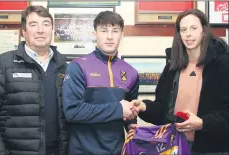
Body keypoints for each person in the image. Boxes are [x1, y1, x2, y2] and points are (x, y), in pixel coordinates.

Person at [132, 9, 229, 154]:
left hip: (212, 149)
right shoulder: (171, 68)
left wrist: (202, 123)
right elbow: (162, 111)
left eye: (193, 28)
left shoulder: (223, 65)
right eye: (183, 30)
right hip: (174, 146)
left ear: (204, 31)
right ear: (179, 34)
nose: (188, 34)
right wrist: (144, 106)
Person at [0, 5, 69, 155]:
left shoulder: (64, 66)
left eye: (46, 24)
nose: (40, 30)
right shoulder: (1, 65)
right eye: (33, 24)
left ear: (52, 30)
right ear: (24, 31)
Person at [62, 11, 139, 155]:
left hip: (117, 150)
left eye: (115, 31)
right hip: (82, 151)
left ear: (122, 35)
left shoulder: (131, 72)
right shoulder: (78, 66)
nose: (110, 36)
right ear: (94, 34)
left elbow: (129, 112)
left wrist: (132, 126)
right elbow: (72, 112)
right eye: (104, 30)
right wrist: (117, 109)